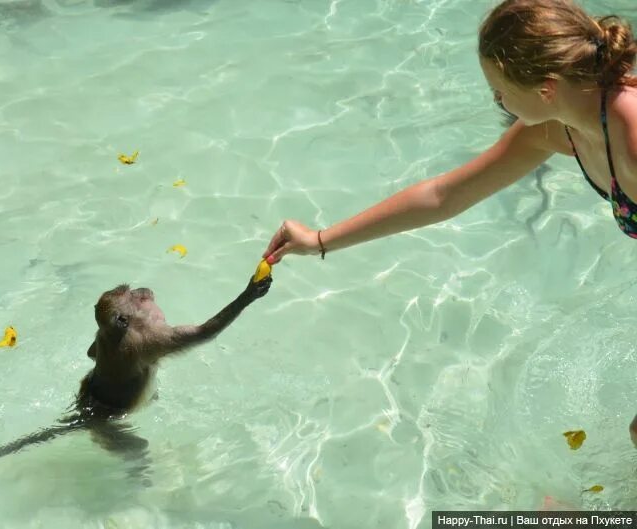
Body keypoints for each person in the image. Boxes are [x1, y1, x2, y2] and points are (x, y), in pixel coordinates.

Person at [262, 0, 637, 446]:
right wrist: (320, 240)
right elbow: (444, 196)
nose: (497, 101)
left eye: (499, 90)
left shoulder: (631, 135)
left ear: (547, 88)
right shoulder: (559, 127)